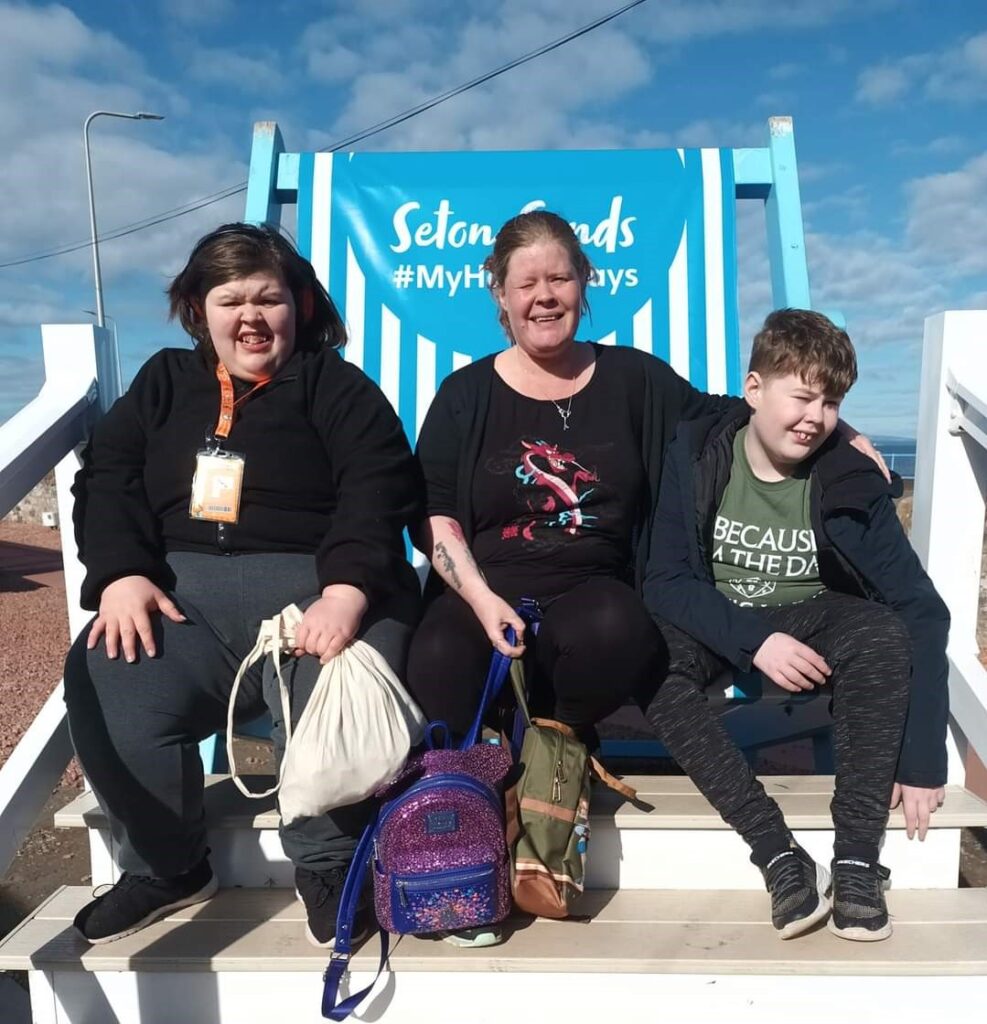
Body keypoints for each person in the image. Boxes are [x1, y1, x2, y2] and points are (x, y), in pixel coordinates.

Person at [63, 223, 422, 948]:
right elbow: (108, 478)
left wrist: (347, 591)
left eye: (269, 298)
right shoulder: (164, 381)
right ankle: (167, 866)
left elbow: (376, 487)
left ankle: (328, 864)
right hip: (179, 593)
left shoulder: (335, 386)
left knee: (336, 690)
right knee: (107, 675)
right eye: (231, 299)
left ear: (302, 308)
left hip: (319, 591)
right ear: (200, 309)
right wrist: (122, 574)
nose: (250, 317)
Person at [642, 308, 950, 942]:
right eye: (802, 395)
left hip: (812, 614)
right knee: (654, 669)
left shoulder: (848, 478)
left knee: (881, 633)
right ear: (755, 390)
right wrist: (753, 641)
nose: (815, 416)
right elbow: (665, 581)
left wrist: (922, 759)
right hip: (718, 614)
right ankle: (778, 853)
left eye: (831, 402)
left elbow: (921, 607)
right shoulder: (696, 452)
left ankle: (859, 860)